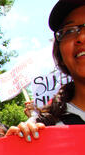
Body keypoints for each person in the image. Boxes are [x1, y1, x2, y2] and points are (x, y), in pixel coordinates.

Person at [6, 0, 85, 141]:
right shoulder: (42, 130)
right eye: (69, 31)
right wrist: (12, 153)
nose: (81, 37)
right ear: (60, 54)